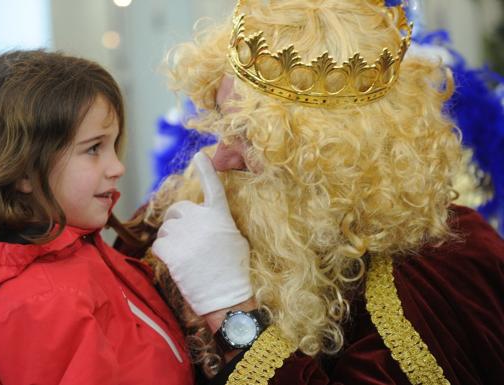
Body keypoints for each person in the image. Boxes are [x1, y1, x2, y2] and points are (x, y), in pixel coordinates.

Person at [115, 1, 504, 384]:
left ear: (336, 157)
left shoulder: (451, 267)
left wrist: (230, 309)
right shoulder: (178, 212)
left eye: (252, 139)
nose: (221, 158)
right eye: (221, 121)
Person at [0, 50, 195, 385]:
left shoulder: (74, 253)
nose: (117, 167)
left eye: (112, 146)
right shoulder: (41, 306)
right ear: (21, 169)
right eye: (94, 148)